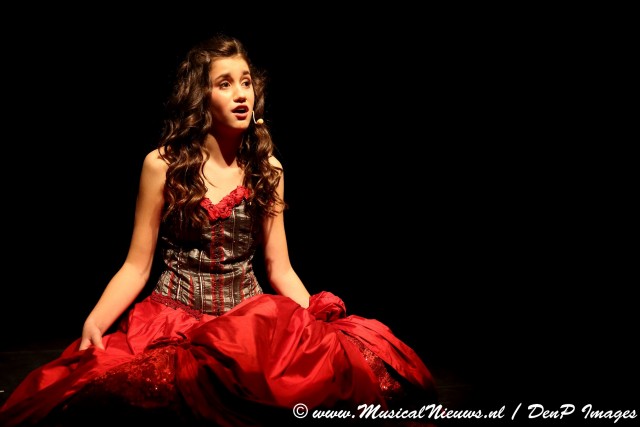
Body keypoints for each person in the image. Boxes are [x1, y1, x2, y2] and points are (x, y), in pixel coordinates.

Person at [0, 33, 437, 426]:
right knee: (121, 394)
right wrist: (96, 319)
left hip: (247, 321)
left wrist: (316, 321)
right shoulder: (163, 166)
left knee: (349, 367)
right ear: (201, 97)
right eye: (224, 83)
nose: (241, 93)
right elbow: (137, 265)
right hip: (174, 319)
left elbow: (279, 267)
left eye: (245, 82)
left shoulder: (268, 169)